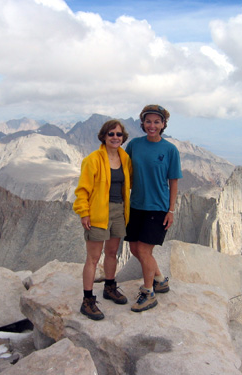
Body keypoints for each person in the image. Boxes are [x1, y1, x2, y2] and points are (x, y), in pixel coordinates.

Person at [124, 104, 182, 312]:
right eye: (148, 121)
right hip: (136, 205)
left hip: (157, 207)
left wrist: (171, 210)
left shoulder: (170, 150)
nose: (152, 125)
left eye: (157, 122)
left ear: (163, 124)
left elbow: (173, 181)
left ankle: (148, 293)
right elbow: (123, 168)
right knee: (134, 248)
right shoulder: (134, 145)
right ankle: (159, 279)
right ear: (142, 123)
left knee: (143, 249)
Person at [73, 119, 132, 320]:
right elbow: (83, 189)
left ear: (123, 138)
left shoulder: (125, 159)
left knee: (112, 252)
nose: (115, 137)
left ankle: (109, 287)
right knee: (93, 258)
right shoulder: (93, 159)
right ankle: (87, 300)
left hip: (118, 211)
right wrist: (84, 212)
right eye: (111, 134)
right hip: (98, 213)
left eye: (118, 134)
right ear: (104, 137)